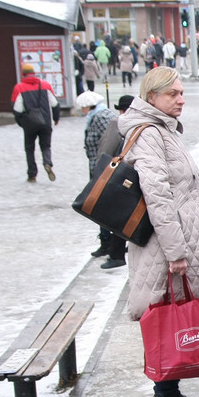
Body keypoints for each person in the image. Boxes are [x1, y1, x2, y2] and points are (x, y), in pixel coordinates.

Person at [115, 68, 199, 397]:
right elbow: (158, 196)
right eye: (173, 94)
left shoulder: (163, 129)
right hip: (165, 248)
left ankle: (169, 391)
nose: (181, 99)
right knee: (167, 317)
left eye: (181, 92)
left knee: (172, 312)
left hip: (176, 240)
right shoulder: (149, 134)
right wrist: (176, 252)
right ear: (152, 97)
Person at [77, 91, 127, 269]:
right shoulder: (102, 117)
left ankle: (110, 247)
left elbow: (106, 147)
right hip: (113, 171)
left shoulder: (104, 119)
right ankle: (110, 245)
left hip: (109, 172)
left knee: (104, 209)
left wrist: (100, 171)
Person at [11, 63, 61, 182]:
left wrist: (21, 123)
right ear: (34, 73)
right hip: (45, 122)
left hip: (29, 124)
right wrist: (56, 118)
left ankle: (32, 174)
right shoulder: (45, 85)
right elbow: (55, 104)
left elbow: (17, 109)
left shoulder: (19, 88)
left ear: (23, 74)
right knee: (46, 146)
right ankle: (47, 162)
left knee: (29, 149)